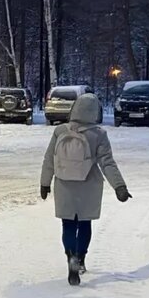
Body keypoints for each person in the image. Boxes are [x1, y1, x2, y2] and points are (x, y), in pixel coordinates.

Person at [39, 92, 131, 285]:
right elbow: (107, 162)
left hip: (64, 183)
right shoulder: (98, 134)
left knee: (68, 225)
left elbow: (49, 158)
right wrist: (119, 186)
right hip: (89, 185)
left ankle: (70, 256)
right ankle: (80, 258)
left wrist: (45, 183)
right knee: (85, 224)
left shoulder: (60, 131)